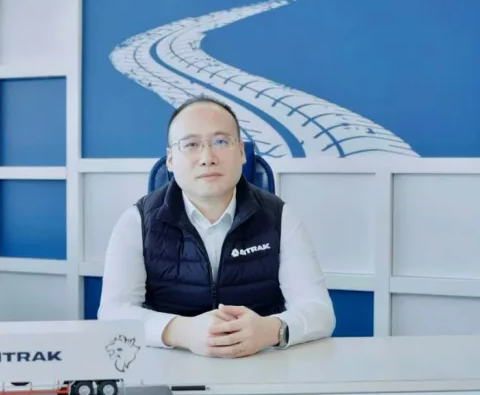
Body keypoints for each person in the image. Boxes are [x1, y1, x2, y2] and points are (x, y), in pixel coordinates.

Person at [98, 95, 336, 358]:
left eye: (221, 142)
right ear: (170, 159)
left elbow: (320, 311)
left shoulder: (280, 217)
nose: (207, 157)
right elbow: (113, 312)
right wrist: (181, 331)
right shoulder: (137, 220)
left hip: (259, 364)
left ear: (242, 152)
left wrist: (270, 330)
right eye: (191, 144)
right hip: (168, 364)